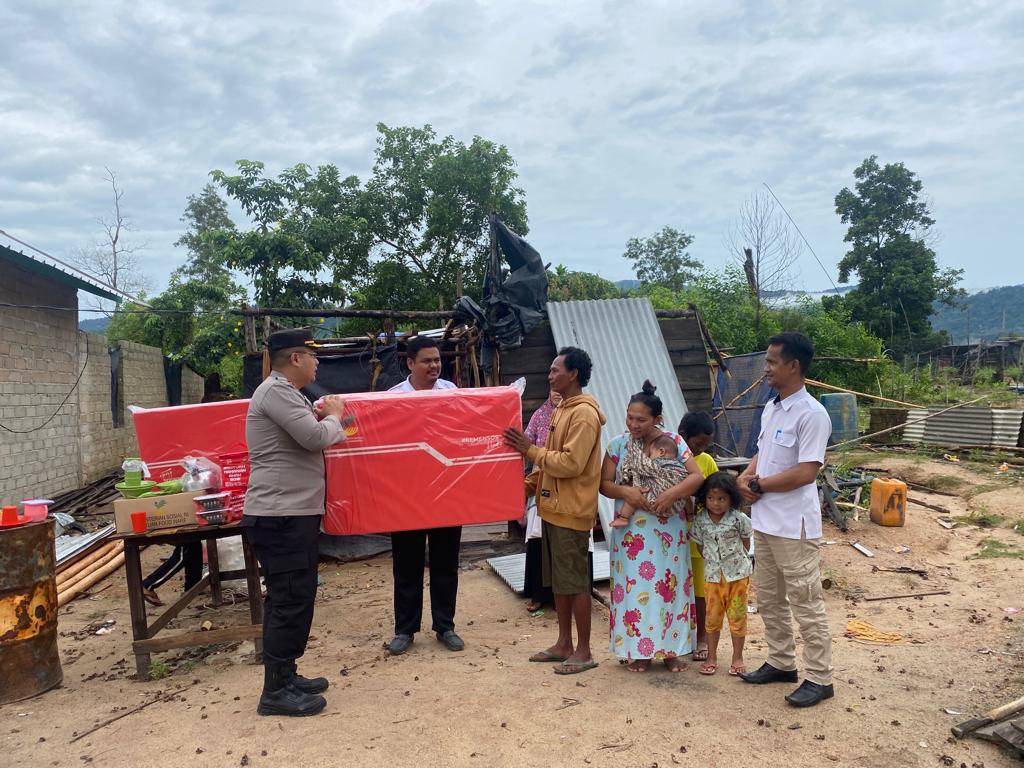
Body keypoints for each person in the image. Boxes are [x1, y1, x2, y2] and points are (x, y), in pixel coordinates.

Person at [243, 327, 350, 717]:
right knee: (289, 599)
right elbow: (312, 438)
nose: (317, 362)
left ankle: (285, 674)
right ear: (295, 359)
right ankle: (274, 692)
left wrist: (326, 417)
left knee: (293, 597)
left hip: (290, 514)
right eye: (313, 355)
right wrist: (334, 417)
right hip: (280, 515)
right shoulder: (275, 392)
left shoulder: (287, 394)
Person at [737, 331, 834, 708]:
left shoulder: (812, 414)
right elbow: (763, 453)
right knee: (771, 600)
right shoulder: (772, 407)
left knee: (805, 601)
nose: (766, 370)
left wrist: (758, 484)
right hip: (765, 521)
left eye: (772, 363)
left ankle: (820, 678)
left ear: (794, 366)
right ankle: (781, 662)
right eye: (767, 363)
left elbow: (806, 472)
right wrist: (746, 476)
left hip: (795, 527)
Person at [504, 347, 605, 675]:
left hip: (572, 511)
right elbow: (549, 459)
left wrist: (528, 450)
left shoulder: (584, 415)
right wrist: (523, 488)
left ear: (573, 374)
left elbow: (570, 463)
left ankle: (584, 650)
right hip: (552, 509)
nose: (549, 376)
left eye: (555, 370)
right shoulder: (562, 409)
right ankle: (564, 643)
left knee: (575, 583)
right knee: (560, 582)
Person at [601, 381, 705, 673]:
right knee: (636, 590)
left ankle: (671, 650)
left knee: (669, 588)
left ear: (658, 419)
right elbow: (604, 484)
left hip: (668, 529)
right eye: (630, 417)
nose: (634, 424)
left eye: (641, 419)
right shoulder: (618, 445)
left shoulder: (673, 443)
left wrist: (672, 494)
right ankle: (640, 651)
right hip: (632, 531)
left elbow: (695, 477)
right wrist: (627, 494)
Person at [385, 335, 465, 656]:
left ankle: (445, 626)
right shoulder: (391, 399)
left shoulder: (454, 394)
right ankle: (405, 629)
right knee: (407, 563)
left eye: (437, 360)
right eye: (426, 361)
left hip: (446, 491)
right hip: (407, 495)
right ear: (410, 363)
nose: (434, 366)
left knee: (446, 562)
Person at [691, 471, 752, 676]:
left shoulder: (739, 519)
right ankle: (712, 657)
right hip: (713, 578)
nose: (715, 503)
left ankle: (737, 658)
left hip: (738, 576)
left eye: (721, 499)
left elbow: (746, 542)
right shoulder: (700, 521)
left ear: (731, 499)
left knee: (737, 617)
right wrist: (713, 562)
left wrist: (737, 563)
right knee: (712, 619)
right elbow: (700, 546)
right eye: (710, 498)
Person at [678, 411, 717, 661]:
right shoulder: (666, 455)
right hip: (671, 536)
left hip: (698, 537)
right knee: (674, 589)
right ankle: (676, 639)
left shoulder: (706, 462)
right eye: (698, 444)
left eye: (705, 445)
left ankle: (701, 637)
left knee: (701, 592)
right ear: (683, 436)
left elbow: (717, 495)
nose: (701, 449)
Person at [521, 389, 561, 612]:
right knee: (537, 538)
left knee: (561, 543)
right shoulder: (539, 415)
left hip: (565, 484)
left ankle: (560, 598)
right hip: (541, 481)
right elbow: (526, 443)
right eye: (552, 388)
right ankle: (539, 595)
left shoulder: (577, 414)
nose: (556, 393)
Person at [609, 434, 685, 529]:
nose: (649, 457)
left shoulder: (658, 463)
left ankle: (623, 518)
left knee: (635, 494)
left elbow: (641, 467)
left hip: (657, 499)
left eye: (650, 454)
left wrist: (633, 454)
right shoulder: (680, 466)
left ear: (661, 452)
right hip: (676, 507)